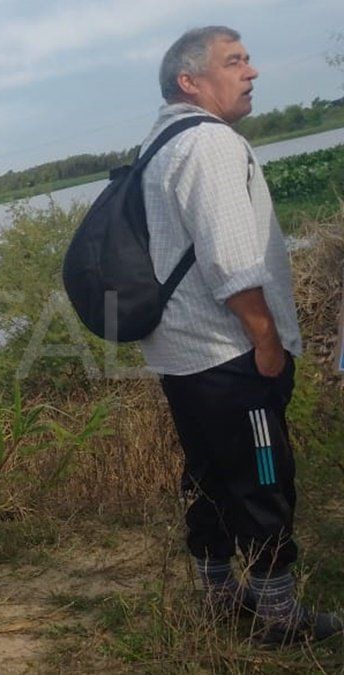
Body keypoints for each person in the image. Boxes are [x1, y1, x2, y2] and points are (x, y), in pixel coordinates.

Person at [142, 27, 340, 644]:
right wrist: (267, 340)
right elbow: (231, 261)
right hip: (229, 353)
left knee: (208, 476)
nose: (251, 72)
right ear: (190, 81)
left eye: (248, 59)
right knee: (263, 477)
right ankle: (277, 617)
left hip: (184, 355)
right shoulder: (209, 142)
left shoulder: (159, 143)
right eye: (235, 61)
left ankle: (220, 596)